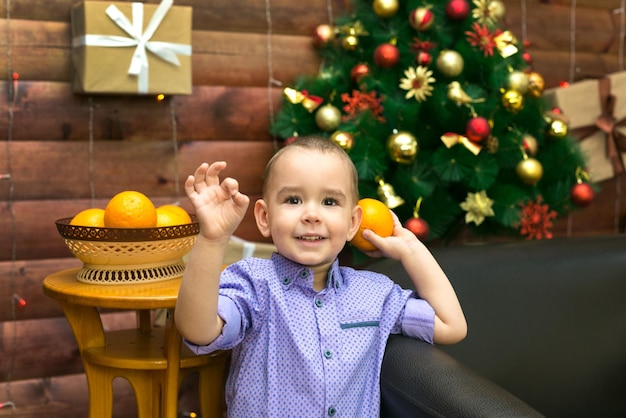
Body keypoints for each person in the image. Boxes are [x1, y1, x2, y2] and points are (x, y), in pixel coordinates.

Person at [175, 136, 467, 417]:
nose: (312, 214)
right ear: (264, 217)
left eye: (329, 202)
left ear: (353, 222)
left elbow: (451, 325)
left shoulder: (374, 293)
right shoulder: (253, 283)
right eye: (293, 200)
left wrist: (411, 250)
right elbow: (198, 330)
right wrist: (212, 240)